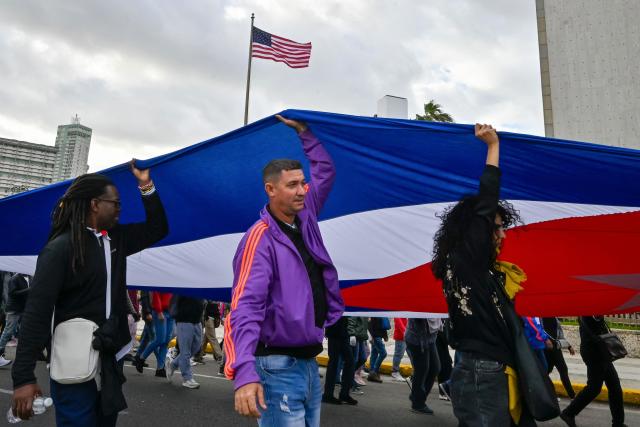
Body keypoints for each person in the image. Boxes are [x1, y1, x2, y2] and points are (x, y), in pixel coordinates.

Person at [11, 163, 168, 425]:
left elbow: (158, 228)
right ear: (95, 204)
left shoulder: (115, 239)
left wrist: (146, 186)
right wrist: (24, 378)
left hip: (109, 360)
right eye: (115, 203)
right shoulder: (60, 248)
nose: (120, 209)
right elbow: (37, 314)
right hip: (74, 361)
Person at [224, 115, 344, 426]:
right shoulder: (259, 238)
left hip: (307, 361)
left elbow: (325, 172)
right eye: (292, 185)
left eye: (303, 183)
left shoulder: (306, 216)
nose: (303, 190)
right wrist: (244, 371)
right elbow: (245, 307)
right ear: (271, 189)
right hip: (276, 365)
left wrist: (306, 134)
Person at [431, 124, 525, 426]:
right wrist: (492, 147)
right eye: (495, 227)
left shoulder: (471, 266)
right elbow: (486, 199)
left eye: (502, 227)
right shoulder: (465, 261)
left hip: (483, 365)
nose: (501, 235)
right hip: (480, 368)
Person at [560, 316, 626, 427]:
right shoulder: (587, 311)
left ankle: (618, 423)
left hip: (601, 350)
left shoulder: (594, 308)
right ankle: (568, 413)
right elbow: (593, 323)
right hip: (593, 353)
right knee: (594, 388)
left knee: (615, 386)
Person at [404, 317, 441, 415]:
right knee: (422, 369)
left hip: (430, 339)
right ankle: (417, 403)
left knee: (435, 368)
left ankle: (417, 396)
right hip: (416, 339)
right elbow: (416, 316)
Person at [166, 295, 204, 389]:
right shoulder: (183, 284)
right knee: (185, 351)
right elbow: (174, 302)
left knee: (196, 347)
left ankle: (173, 364)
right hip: (184, 320)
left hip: (197, 320)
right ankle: (187, 378)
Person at [135, 291, 174, 376]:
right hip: (160, 311)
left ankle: (160, 368)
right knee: (160, 340)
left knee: (166, 341)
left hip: (170, 312)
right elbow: (156, 293)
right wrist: (159, 311)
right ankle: (141, 358)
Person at [322, 317, 357, 405]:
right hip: (334, 330)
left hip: (342, 331)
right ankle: (328, 394)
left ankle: (344, 393)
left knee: (350, 362)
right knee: (334, 362)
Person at [0, 273, 31, 367]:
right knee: (8, 332)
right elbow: (12, 293)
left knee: (24, 331)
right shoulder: (15, 278)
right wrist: (28, 290)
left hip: (21, 309)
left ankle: (23, 355)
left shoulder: (27, 278)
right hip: (13, 309)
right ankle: (0, 352)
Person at [542, 317, 576, 398]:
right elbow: (539, 330)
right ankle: (547, 394)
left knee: (562, 370)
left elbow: (560, 334)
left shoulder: (554, 318)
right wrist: (546, 339)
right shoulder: (540, 318)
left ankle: (572, 395)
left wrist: (569, 346)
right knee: (547, 372)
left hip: (556, 349)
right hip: (547, 349)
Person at [367, 317, 390, 383]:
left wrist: (385, 335)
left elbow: (382, 323)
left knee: (374, 354)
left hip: (378, 336)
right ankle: (374, 371)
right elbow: (370, 325)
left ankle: (372, 373)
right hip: (376, 336)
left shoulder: (381, 312)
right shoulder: (373, 312)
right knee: (383, 353)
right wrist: (371, 337)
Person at [390, 317, 407, 382]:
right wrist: (405, 332)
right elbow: (398, 321)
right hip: (401, 337)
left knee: (412, 356)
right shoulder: (398, 312)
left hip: (409, 336)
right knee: (399, 354)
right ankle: (395, 372)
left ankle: (414, 374)